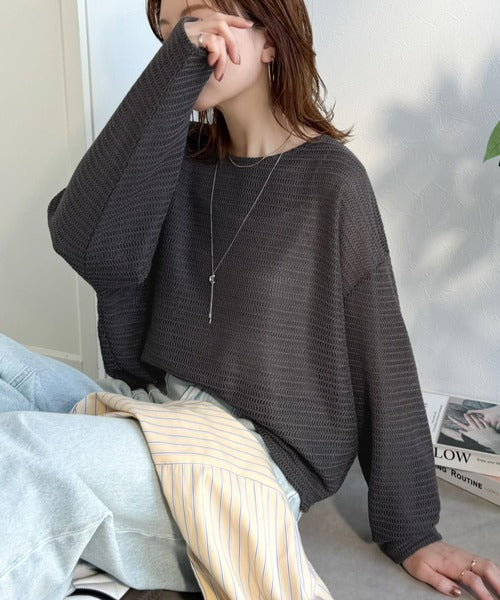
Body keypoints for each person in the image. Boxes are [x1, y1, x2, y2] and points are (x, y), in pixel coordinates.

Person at [1, 0, 499, 598]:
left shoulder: (332, 182)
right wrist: (168, 82)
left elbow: (382, 354)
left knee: (19, 452)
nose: (190, 43)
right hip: (156, 415)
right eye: (173, 34)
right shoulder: (175, 157)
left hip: (242, 467)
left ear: (271, 41)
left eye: (202, 18)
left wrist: (414, 532)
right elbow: (87, 244)